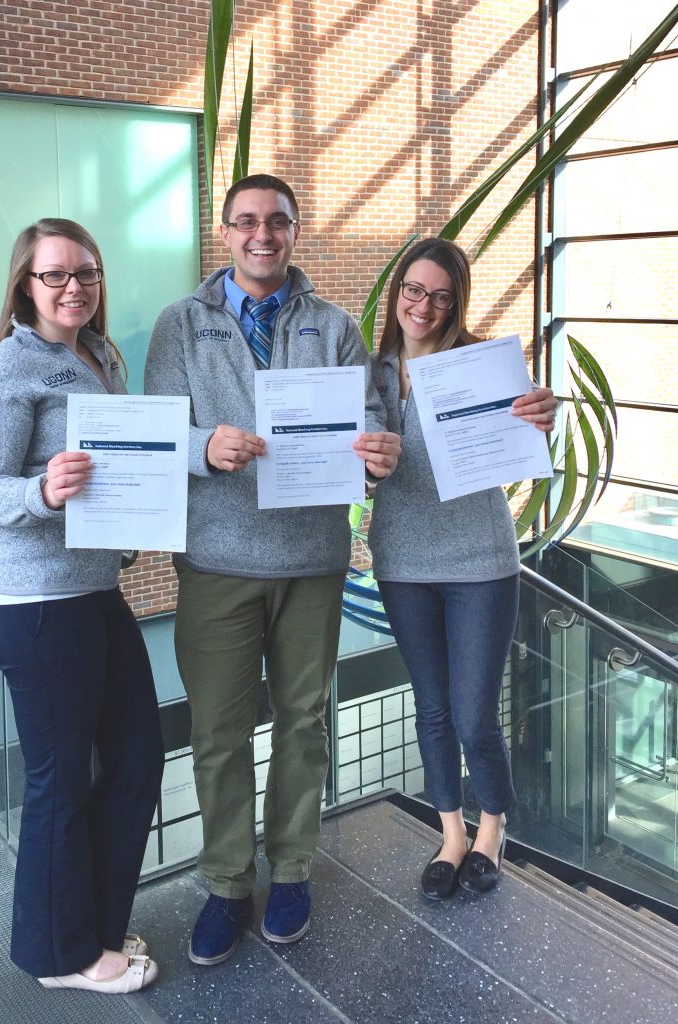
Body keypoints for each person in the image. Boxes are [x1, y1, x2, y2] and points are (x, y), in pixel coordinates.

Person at [145, 174, 400, 965]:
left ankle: (290, 869)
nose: (263, 234)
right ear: (225, 233)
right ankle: (226, 882)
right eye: (247, 221)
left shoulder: (331, 327)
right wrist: (202, 449)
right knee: (218, 732)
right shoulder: (181, 325)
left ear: (295, 231)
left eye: (278, 222)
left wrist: (379, 446)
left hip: (313, 563)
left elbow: (373, 416)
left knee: (303, 722)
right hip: (217, 560)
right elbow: (158, 431)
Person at [0, 218, 164, 993]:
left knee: (140, 757)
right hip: (32, 602)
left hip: (91, 593)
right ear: (25, 284)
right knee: (60, 780)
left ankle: (97, 927)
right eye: (55, 276)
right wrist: (43, 491)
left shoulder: (99, 356)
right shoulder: (7, 373)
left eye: (86, 273)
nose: (73, 287)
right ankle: (62, 957)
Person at [368, 237, 557, 900]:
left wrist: (540, 420)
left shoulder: (482, 366)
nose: (425, 305)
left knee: (474, 712)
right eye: (414, 290)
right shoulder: (371, 375)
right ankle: (451, 832)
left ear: (456, 305)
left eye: (441, 296)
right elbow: (355, 471)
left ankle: (492, 829)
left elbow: (521, 439)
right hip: (403, 560)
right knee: (433, 706)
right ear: (397, 293)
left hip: (481, 559)